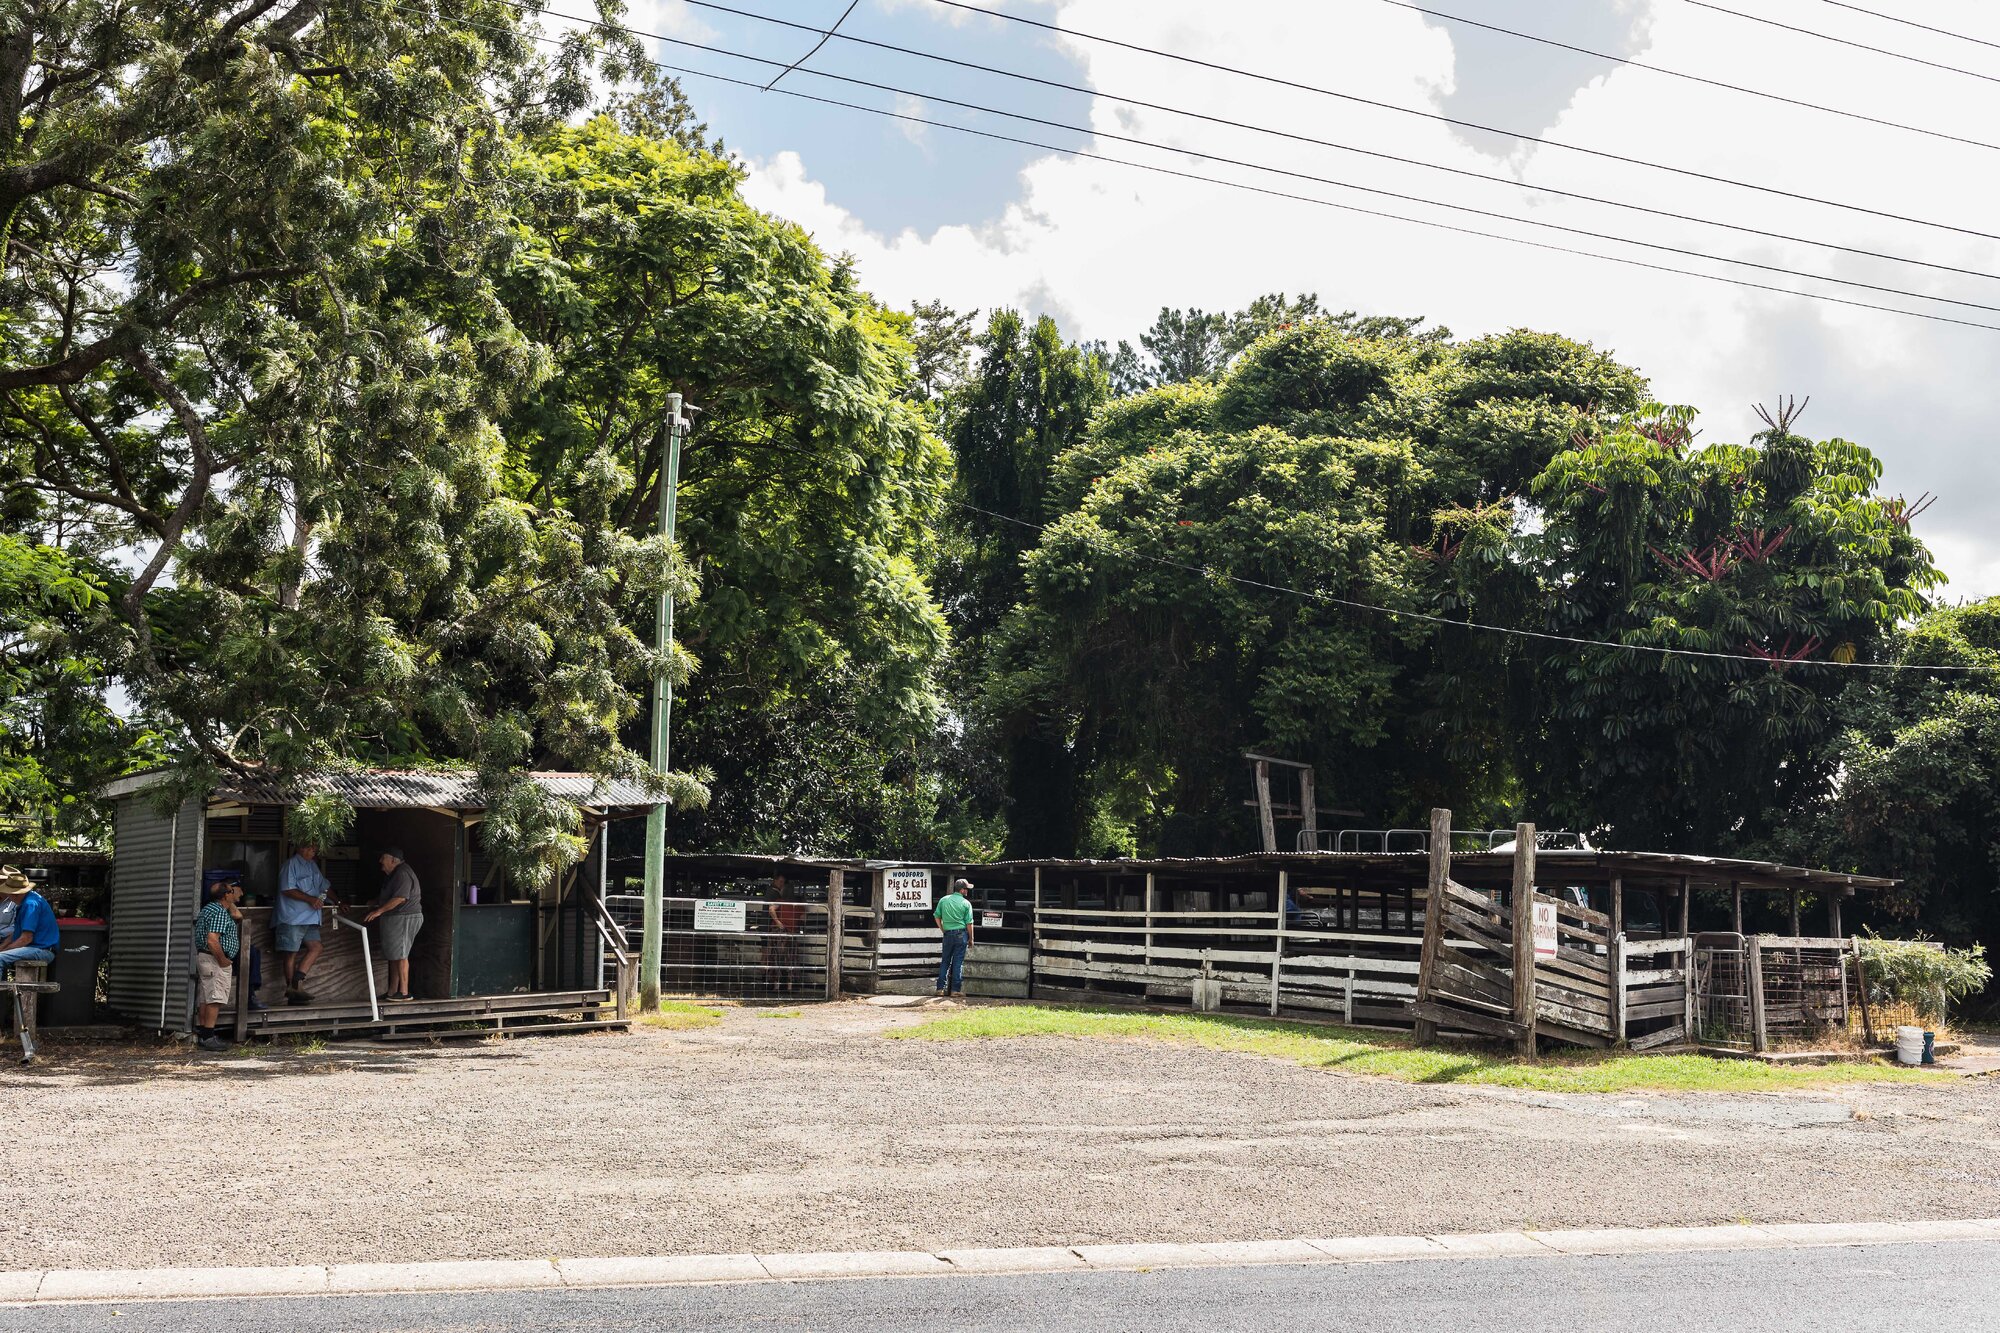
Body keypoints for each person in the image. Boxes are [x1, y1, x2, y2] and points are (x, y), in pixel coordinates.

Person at [275, 841, 332, 1004]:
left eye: (314, 849)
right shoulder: (290, 865)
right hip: (292, 917)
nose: (313, 851)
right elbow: (287, 889)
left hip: (311, 917)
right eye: (309, 848)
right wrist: (311, 899)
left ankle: (297, 982)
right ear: (299, 848)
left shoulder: (312, 865)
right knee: (290, 952)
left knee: (316, 947)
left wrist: (339, 901)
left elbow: (324, 887)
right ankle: (291, 990)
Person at [363, 847, 423, 1001]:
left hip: (404, 917)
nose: (380, 861)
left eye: (383, 858)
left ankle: (403, 992)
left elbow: (400, 898)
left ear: (393, 860)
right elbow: (390, 895)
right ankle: (392, 991)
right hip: (395, 917)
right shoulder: (392, 874)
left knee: (401, 954)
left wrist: (379, 911)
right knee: (394, 955)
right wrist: (376, 902)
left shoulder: (402, 873)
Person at [191, 878, 242, 1052]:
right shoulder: (219, 912)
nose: (235, 892)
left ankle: (205, 1034)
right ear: (225, 895)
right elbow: (213, 940)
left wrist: (231, 902)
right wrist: (222, 960)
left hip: (206, 958)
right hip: (214, 960)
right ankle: (209, 1037)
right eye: (231, 891)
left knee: (206, 998)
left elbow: (238, 916)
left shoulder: (211, 908)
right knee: (215, 998)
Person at [0, 867, 58, 976]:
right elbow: (16, 934)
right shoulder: (27, 901)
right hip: (33, 948)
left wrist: (5, 950)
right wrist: (2, 947)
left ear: (14, 894)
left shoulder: (30, 904)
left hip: (41, 950)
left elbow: (26, 938)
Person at [933, 877, 975, 999]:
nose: (967, 891)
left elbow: (936, 916)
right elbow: (969, 923)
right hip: (961, 935)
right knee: (957, 963)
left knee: (945, 961)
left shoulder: (944, 900)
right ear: (962, 890)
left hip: (948, 934)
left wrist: (943, 929)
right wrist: (971, 938)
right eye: (966, 889)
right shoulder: (966, 903)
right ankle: (955, 990)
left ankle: (940, 989)